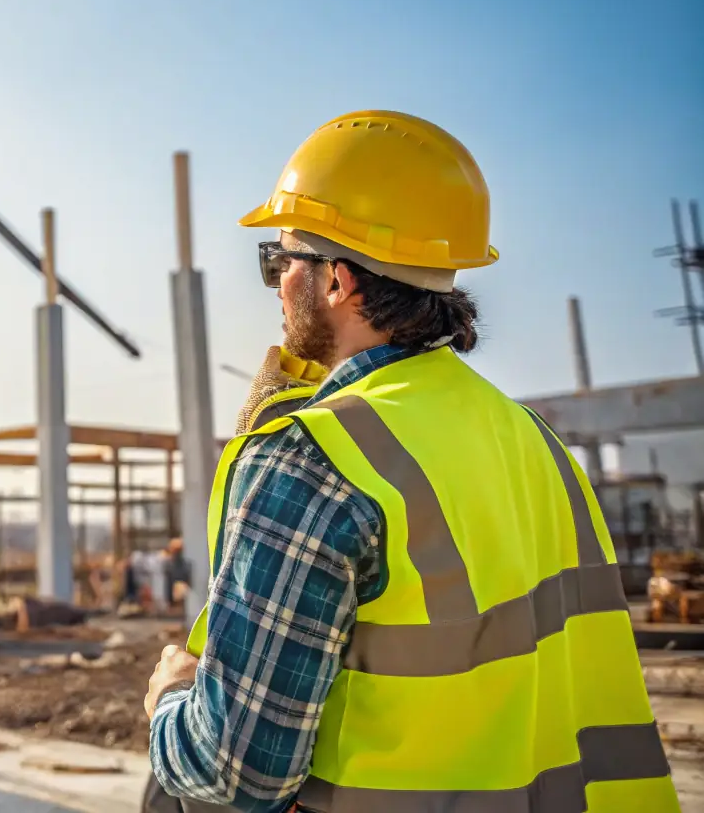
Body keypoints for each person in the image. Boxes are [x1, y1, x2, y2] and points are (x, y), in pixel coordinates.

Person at [143, 111, 677, 812]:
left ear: (334, 280)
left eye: (278, 262)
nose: (274, 285)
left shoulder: (317, 456)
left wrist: (171, 697)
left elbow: (237, 771)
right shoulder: (530, 439)